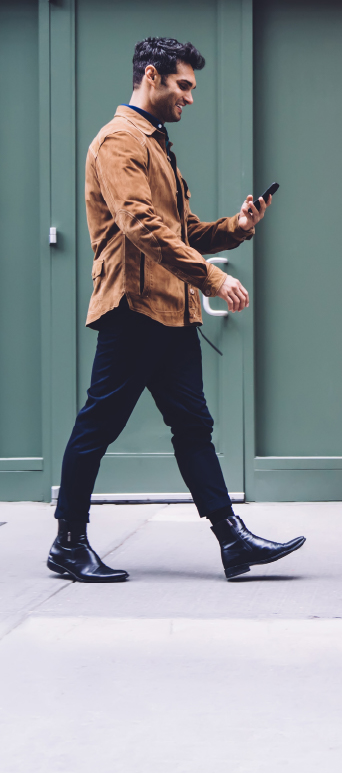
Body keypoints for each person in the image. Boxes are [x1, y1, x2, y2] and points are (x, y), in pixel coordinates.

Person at [48, 37, 305, 583]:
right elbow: (140, 226)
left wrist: (235, 229)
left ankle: (231, 541)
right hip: (134, 307)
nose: (189, 98)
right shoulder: (119, 140)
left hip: (172, 310)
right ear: (150, 76)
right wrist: (211, 276)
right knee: (99, 425)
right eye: (183, 86)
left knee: (193, 425)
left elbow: (181, 231)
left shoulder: (157, 144)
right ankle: (68, 543)